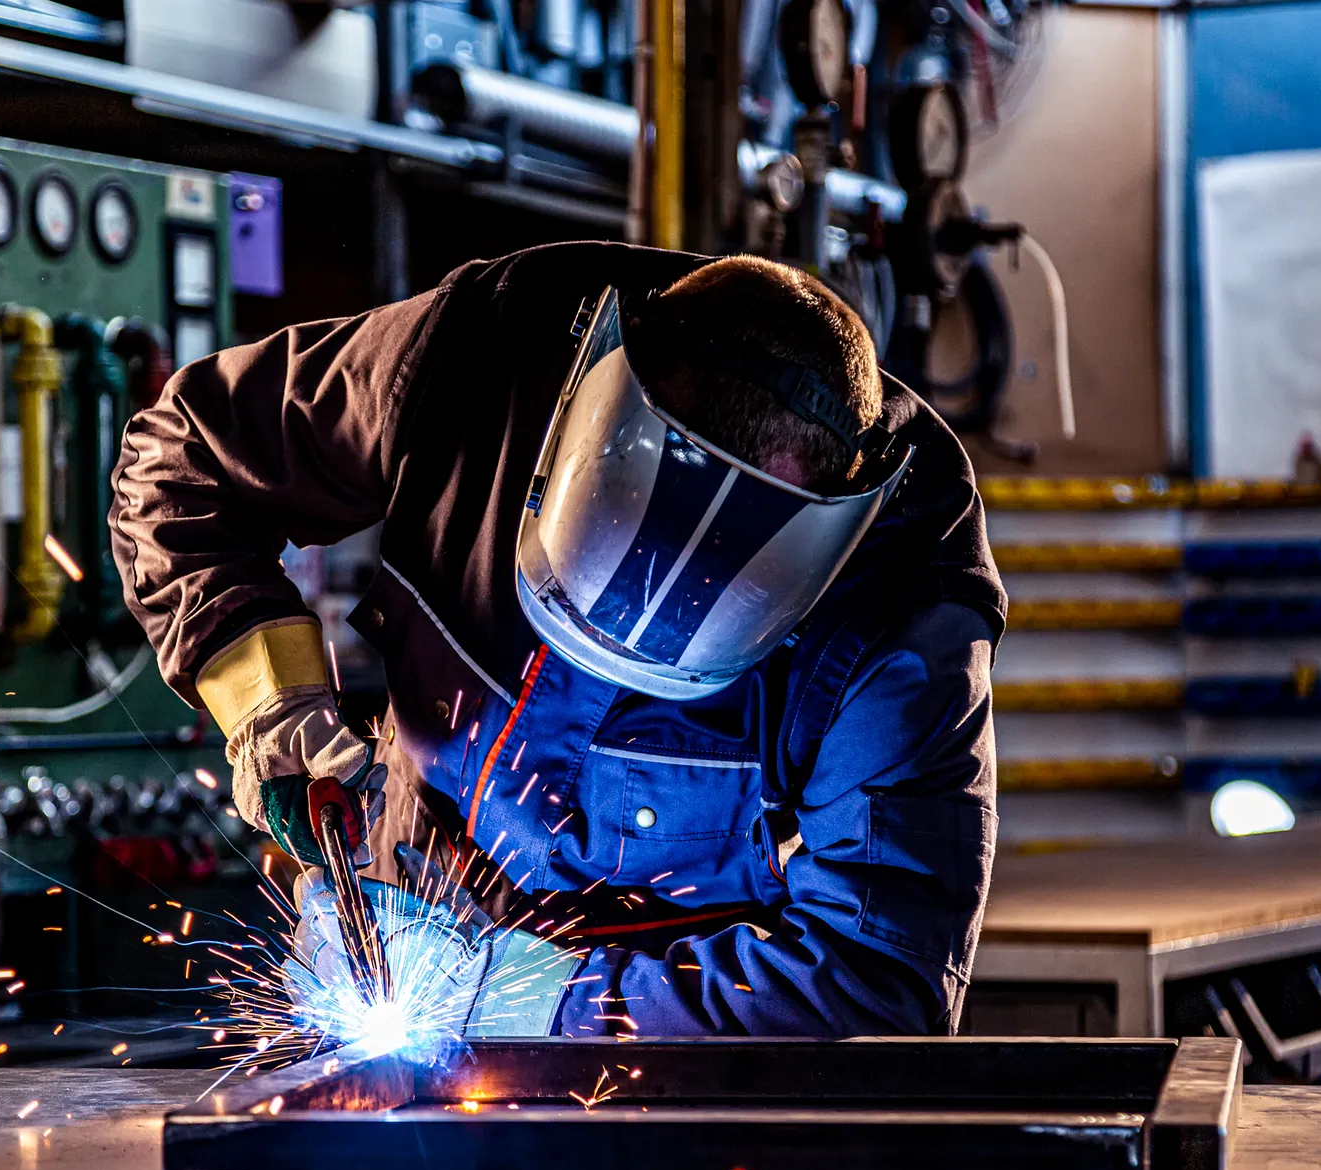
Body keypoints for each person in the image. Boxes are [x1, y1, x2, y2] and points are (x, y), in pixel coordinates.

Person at [111, 242, 1004, 1039]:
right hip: (400, 961)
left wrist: (543, 1002)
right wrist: (272, 700)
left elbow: (880, 983)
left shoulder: (903, 600)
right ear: (582, 417)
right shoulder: (477, 364)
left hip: (679, 1098)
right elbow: (183, 462)